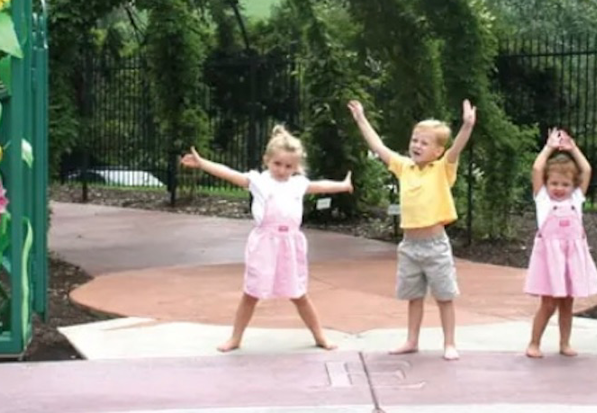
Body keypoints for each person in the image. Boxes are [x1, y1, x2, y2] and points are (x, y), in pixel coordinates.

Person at [180, 125, 353, 353]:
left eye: (288, 166)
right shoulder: (259, 181)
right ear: (267, 160)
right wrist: (203, 163)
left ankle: (320, 336)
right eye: (277, 164)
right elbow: (229, 173)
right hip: (265, 245)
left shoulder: (298, 184)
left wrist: (343, 185)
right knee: (251, 293)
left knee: (299, 294)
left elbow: (321, 186)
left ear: (296, 167)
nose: (282, 170)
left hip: (290, 244)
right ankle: (235, 338)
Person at [347, 97, 476, 361]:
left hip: (435, 245)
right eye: (415, 140)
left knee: (444, 296)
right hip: (409, 246)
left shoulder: (442, 169)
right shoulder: (404, 167)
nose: (416, 145)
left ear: (437, 151)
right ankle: (412, 340)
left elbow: (456, 149)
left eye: (424, 142)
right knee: (413, 296)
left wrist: (467, 126)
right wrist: (361, 119)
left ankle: (449, 343)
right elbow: (378, 146)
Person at [524, 128, 597, 358]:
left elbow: (586, 169)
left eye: (565, 184)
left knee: (567, 303)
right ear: (546, 183)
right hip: (551, 259)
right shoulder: (543, 199)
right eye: (554, 183)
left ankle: (565, 343)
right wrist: (549, 147)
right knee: (548, 303)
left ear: (573, 185)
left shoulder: (576, 198)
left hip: (571, 258)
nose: (559, 188)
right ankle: (534, 343)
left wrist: (573, 148)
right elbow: (537, 168)